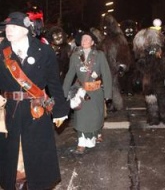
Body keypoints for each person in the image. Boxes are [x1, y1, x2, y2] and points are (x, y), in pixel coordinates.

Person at [0, 12, 70, 189]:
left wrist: (60, 111)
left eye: (14, 27)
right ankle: (15, 182)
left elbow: (54, 82)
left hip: (36, 109)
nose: (9, 30)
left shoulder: (44, 51)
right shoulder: (1, 51)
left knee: (36, 150)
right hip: (10, 110)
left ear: (26, 29)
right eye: (7, 27)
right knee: (12, 151)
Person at [63, 31, 112, 154]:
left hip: (96, 92)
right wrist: (64, 92)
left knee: (96, 117)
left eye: (87, 39)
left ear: (92, 42)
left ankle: (96, 134)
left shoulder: (99, 55)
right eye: (83, 39)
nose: (84, 41)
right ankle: (81, 143)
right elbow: (70, 75)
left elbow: (106, 74)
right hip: (81, 92)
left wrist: (108, 94)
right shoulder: (75, 56)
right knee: (81, 118)